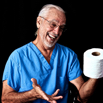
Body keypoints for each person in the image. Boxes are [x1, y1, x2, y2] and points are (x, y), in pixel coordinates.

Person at [1, 4, 99, 103]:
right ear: (39, 22)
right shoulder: (18, 57)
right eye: (53, 24)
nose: (57, 32)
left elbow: (82, 97)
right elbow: (5, 98)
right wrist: (32, 95)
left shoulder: (68, 55)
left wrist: (96, 73)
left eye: (61, 28)